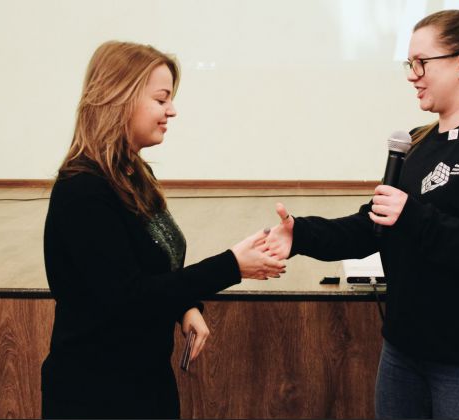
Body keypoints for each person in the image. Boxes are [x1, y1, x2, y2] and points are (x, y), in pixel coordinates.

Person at [265, 10, 459, 419]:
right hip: (403, 354)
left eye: (421, 62)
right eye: (409, 64)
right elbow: (375, 224)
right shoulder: (418, 142)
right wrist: (301, 235)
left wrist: (414, 216)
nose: (412, 75)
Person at [41, 40, 285, 419]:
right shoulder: (82, 191)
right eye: (161, 99)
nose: (171, 110)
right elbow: (127, 297)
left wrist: (185, 306)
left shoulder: (135, 174)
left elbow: (154, 269)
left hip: (145, 384)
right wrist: (232, 265)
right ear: (119, 98)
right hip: (96, 397)